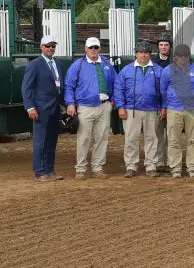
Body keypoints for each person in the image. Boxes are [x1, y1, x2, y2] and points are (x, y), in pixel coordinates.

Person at [64, 36, 117, 179]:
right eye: (90, 47)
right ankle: (80, 169)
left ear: (100, 49)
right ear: (85, 49)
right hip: (85, 107)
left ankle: (98, 168)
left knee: (102, 138)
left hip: (104, 106)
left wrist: (113, 101)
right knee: (84, 138)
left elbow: (115, 82)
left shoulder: (107, 64)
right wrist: (70, 103)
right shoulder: (77, 65)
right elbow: (69, 85)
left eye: (96, 47)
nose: (93, 50)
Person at [113, 40, 163, 178]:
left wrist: (163, 106)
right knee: (131, 138)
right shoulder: (126, 70)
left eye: (146, 52)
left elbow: (165, 90)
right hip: (131, 109)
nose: (143, 55)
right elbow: (119, 89)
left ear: (150, 54)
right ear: (136, 54)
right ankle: (131, 166)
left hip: (152, 109)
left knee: (152, 138)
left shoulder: (159, 70)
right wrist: (121, 107)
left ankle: (151, 165)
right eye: (141, 52)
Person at [21, 34, 64, 181]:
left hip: (54, 108)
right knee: (40, 141)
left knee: (51, 141)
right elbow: (26, 88)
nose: (51, 48)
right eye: (48, 46)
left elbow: (58, 86)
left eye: (53, 46)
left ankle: (50, 170)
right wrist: (30, 107)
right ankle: (39, 172)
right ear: (41, 47)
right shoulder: (34, 64)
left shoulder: (57, 63)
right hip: (40, 109)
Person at [160, 43, 194, 178]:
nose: (183, 59)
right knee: (174, 140)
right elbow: (163, 90)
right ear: (175, 57)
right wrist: (169, 103)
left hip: (192, 109)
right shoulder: (167, 71)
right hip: (174, 109)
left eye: (185, 56)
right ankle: (175, 168)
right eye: (180, 56)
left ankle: (192, 167)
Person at [151, 33, 172, 172]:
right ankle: (159, 162)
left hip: (171, 104)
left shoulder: (175, 61)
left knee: (171, 135)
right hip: (157, 103)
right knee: (157, 134)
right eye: (161, 45)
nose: (163, 47)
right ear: (158, 46)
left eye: (166, 45)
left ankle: (171, 162)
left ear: (170, 47)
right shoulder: (152, 62)